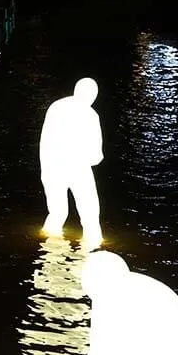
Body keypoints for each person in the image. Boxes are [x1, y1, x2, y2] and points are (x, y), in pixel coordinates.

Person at [39, 77, 104, 248]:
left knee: (57, 212)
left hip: (51, 167)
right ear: (93, 96)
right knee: (90, 214)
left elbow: (45, 140)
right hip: (78, 169)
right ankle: (90, 249)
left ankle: (49, 250)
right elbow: (95, 157)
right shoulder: (91, 115)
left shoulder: (55, 107)